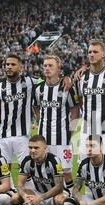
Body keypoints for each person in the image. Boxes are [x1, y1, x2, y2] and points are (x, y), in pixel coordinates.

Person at [34, 55, 79, 192]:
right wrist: (39, 120)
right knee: (47, 173)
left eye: (50, 66)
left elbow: (75, 111)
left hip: (63, 139)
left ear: (59, 69)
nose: (47, 68)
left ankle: (71, 202)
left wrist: (71, 131)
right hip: (44, 140)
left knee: (66, 173)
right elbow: (36, 107)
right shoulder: (39, 89)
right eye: (45, 66)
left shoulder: (67, 87)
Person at [76, 40, 105, 162]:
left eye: (95, 52)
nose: (91, 54)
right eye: (89, 52)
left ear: (103, 54)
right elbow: (80, 100)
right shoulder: (82, 77)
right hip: (86, 132)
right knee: (85, 168)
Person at [0, 54, 36, 171]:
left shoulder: (30, 81)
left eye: (13, 64)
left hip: (23, 135)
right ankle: (8, 189)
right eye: (7, 64)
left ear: (20, 67)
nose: (9, 67)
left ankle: (24, 190)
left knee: (26, 169)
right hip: (2, 135)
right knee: (3, 170)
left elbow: (49, 80)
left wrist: (66, 78)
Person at [9, 135, 69, 205]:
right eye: (30, 147)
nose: (32, 150)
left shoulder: (54, 161)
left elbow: (59, 187)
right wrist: (24, 196)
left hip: (55, 194)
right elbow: (19, 184)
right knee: (15, 198)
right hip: (38, 192)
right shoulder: (27, 160)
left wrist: (40, 198)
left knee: (59, 200)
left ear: (45, 148)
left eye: (36, 148)